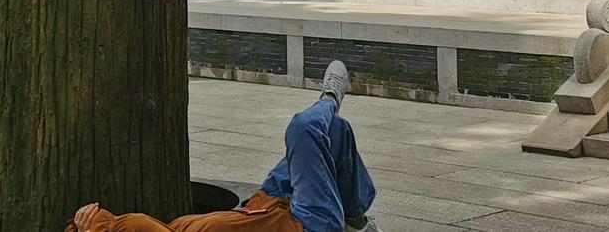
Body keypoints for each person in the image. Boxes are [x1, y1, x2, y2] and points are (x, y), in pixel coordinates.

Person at [70, 61, 378, 232]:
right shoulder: (133, 227)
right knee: (306, 127)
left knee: (332, 132)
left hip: (266, 202)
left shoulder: (177, 227)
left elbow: (131, 225)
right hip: (308, 225)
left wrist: (88, 226)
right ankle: (330, 98)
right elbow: (133, 225)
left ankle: (354, 214)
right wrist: (96, 226)